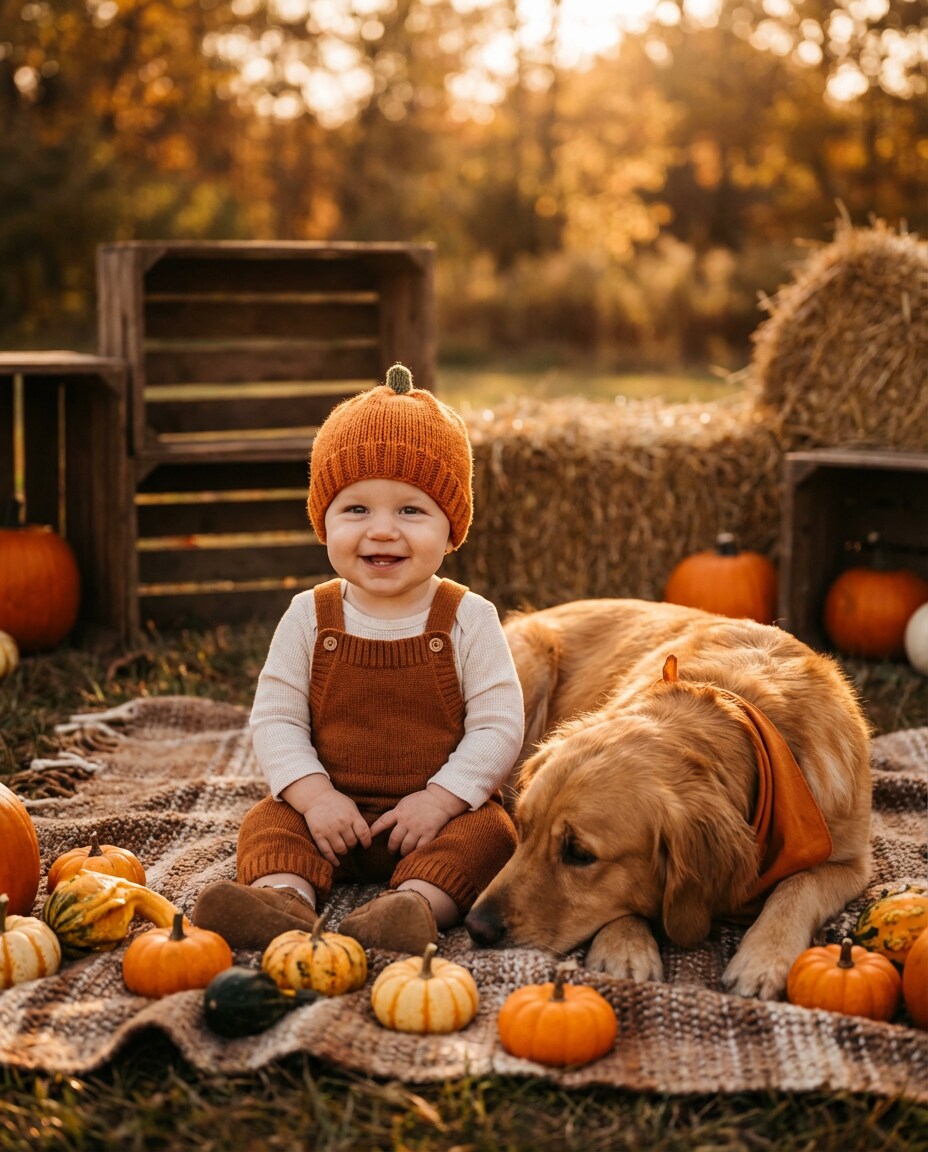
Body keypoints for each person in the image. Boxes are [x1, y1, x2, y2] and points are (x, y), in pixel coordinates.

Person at [193, 363, 523, 953]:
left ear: (453, 529)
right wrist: (314, 796)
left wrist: (443, 799)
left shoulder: (468, 618)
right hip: (328, 813)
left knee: (491, 834)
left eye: (411, 511)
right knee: (268, 822)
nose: (383, 532)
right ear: (324, 521)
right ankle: (283, 900)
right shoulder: (309, 615)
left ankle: (413, 907)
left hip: (430, 818)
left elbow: (498, 726)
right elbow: (276, 718)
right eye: (357, 510)